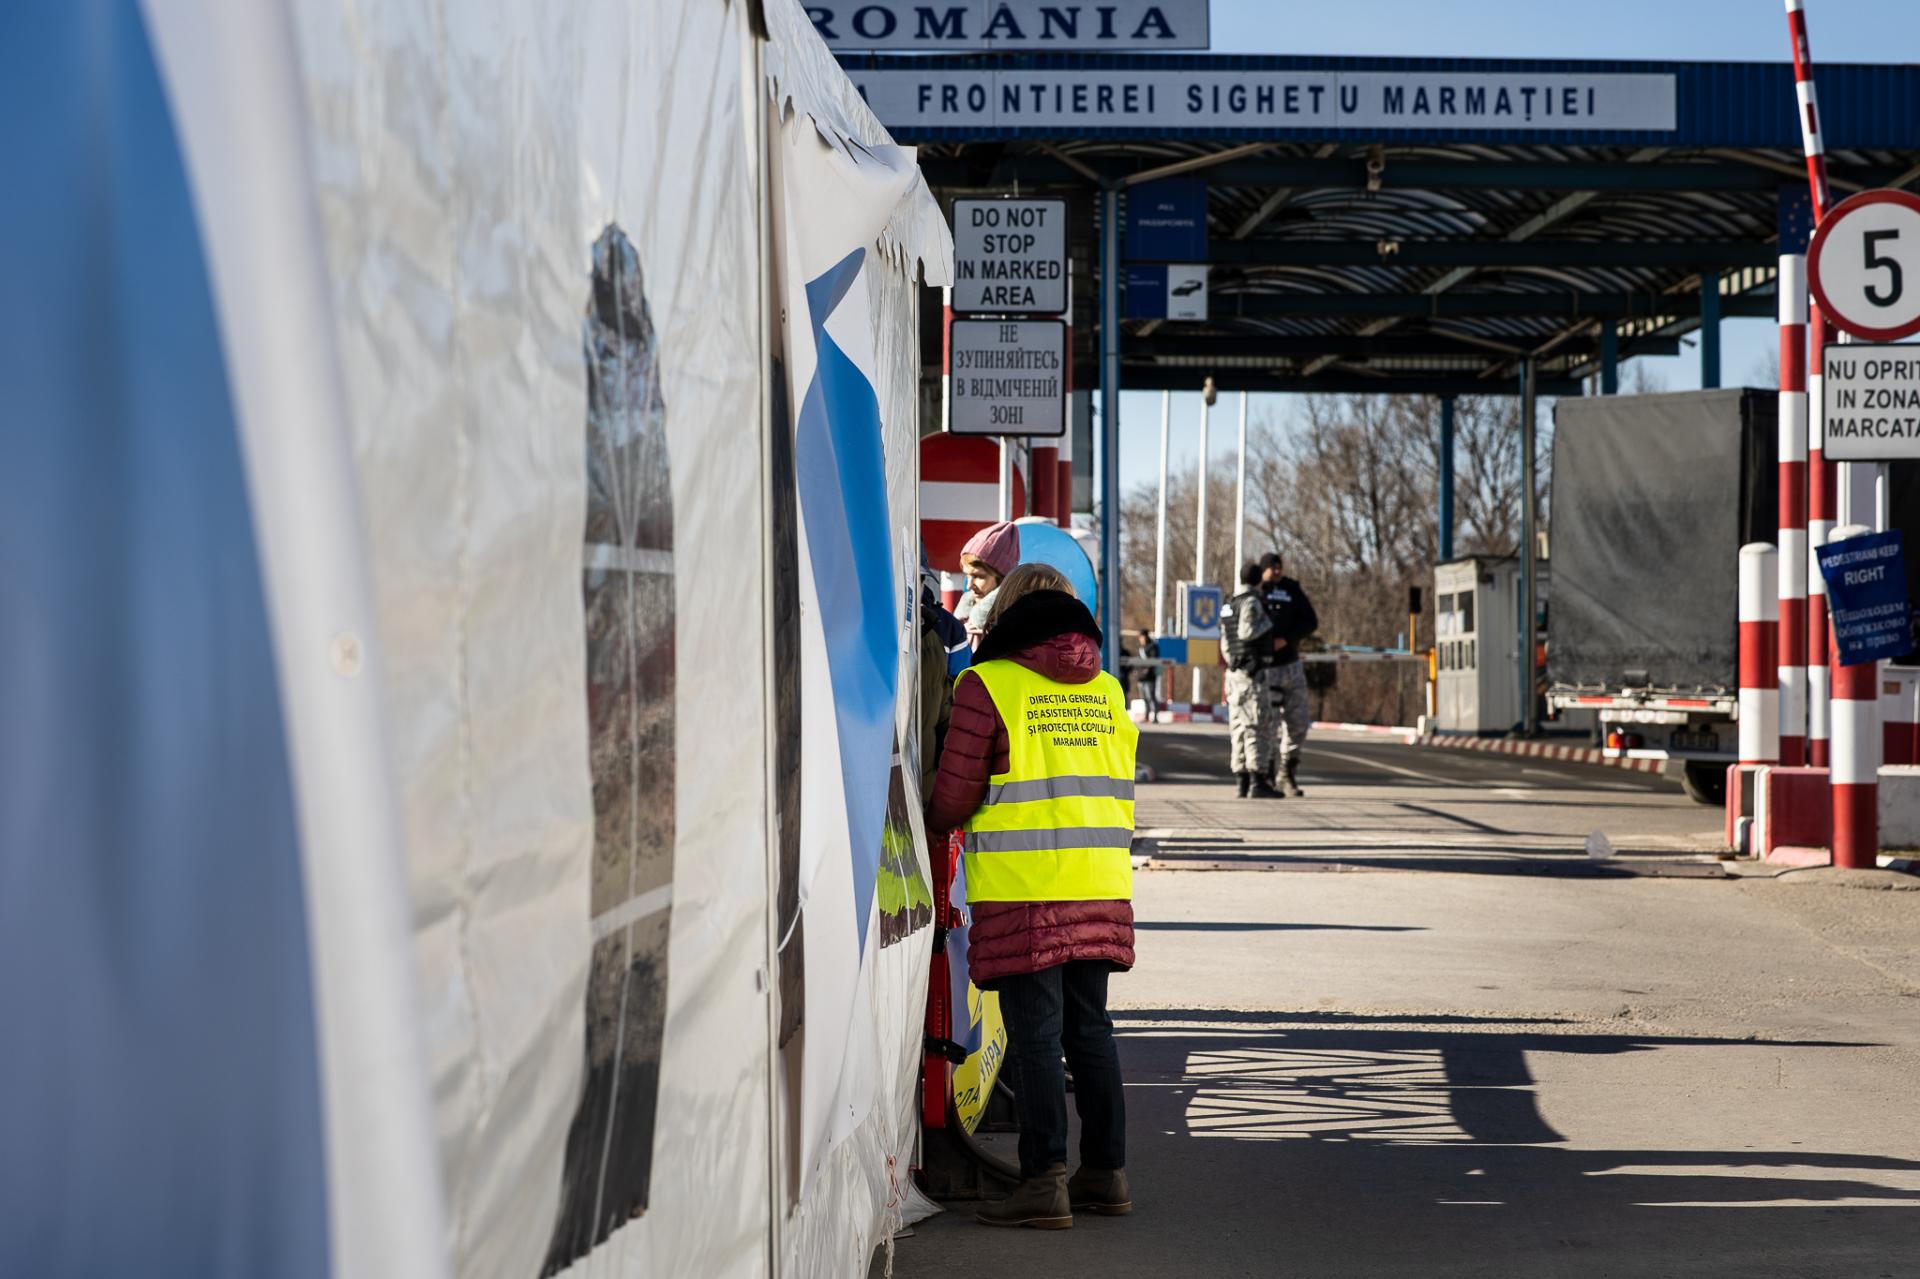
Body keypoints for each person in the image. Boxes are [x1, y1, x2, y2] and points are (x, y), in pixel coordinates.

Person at [925, 562, 1138, 1230]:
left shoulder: (987, 684)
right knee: (1092, 1031)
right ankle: (1106, 1173)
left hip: (1025, 890)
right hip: (1099, 882)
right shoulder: (1106, 687)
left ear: (1006, 615)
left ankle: (1044, 1179)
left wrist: (924, 815)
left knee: (1039, 1035)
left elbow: (953, 797)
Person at [1258, 551, 1319, 797]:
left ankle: (1288, 772)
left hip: (1291, 666)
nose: (1276, 571)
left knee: (1299, 723)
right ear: (1263, 570)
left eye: (1279, 567)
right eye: (1272, 567)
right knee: (1268, 725)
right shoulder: (1255, 592)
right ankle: (1269, 774)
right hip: (1267, 669)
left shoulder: (1292, 589)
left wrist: (1288, 639)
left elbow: (1311, 622)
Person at [1223, 561, 1282, 799]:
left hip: (1234, 673)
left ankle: (1242, 780)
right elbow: (1246, 632)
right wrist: (1268, 623)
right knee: (1256, 726)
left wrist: (1234, 663)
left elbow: (1226, 642)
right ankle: (1258, 779)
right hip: (1251, 674)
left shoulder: (1229, 605)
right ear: (1258, 579)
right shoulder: (1251, 603)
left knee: (1238, 727)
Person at [954, 520, 1019, 651]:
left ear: (1001, 577)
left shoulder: (1014, 622)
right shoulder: (963, 621)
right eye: (967, 576)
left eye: (979, 576)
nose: (970, 585)